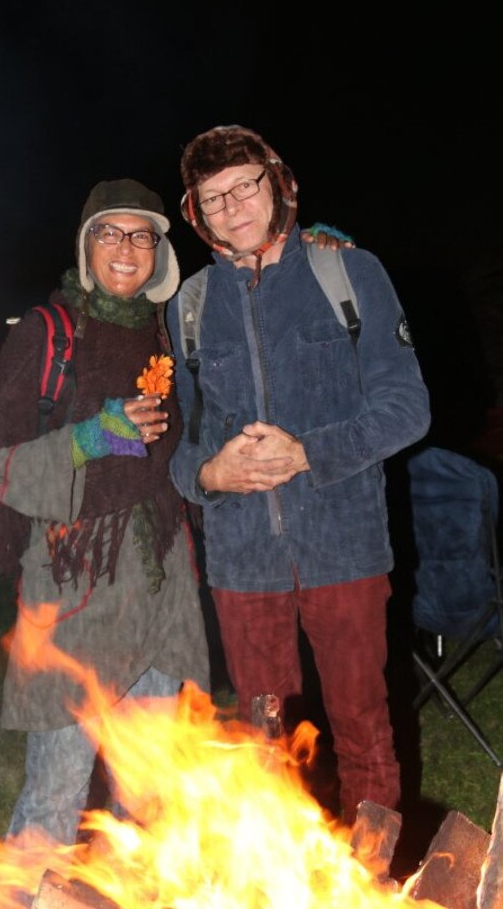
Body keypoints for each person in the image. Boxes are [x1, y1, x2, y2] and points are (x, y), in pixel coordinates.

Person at [167, 125, 431, 823]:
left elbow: (408, 409)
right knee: (264, 742)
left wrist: (310, 452)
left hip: (344, 545)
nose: (232, 206)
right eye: (212, 197)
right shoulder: (188, 307)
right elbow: (177, 444)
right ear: (196, 213)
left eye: (245, 185)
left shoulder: (347, 273)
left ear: (278, 183)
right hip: (242, 562)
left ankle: (373, 882)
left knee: (362, 724)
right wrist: (209, 475)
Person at [0, 179, 211, 852]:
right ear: (86, 244)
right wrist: (85, 440)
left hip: (160, 592)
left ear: (159, 253)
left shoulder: (167, 335)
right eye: (110, 232)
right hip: (72, 588)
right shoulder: (47, 335)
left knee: (146, 794)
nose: (127, 248)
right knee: (57, 788)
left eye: (142, 235)